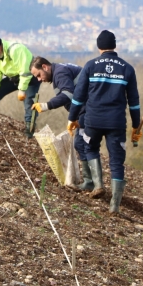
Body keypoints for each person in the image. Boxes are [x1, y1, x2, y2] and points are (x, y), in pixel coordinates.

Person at [66, 30, 142, 213]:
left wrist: (72, 118)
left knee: (90, 148)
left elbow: (78, 97)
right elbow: (134, 102)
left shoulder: (91, 66)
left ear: (99, 46)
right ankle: (114, 206)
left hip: (93, 120)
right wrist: (136, 126)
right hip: (116, 123)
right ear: (114, 45)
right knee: (117, 161)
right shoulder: (127, 68)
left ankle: (98, 184)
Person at [29, 57, 94, 192]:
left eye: (39, 75)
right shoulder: (60, 71)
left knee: (82, 143)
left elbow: (68, 95)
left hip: (90, 109)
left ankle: (91, 182)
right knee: (82, 143)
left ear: (45, 67)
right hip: (86, 109)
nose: (39, 79)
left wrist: (46, 105)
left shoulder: (60, 73)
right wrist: (74, 118)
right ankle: (91, 181)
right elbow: (74, 97)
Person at [0, 36, 40, 138]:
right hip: (14, 78)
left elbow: (25, 71)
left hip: (30, 77)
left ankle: (29, 132)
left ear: (1, 45)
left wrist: (22, 90)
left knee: (29, 103)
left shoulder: (16, 50)